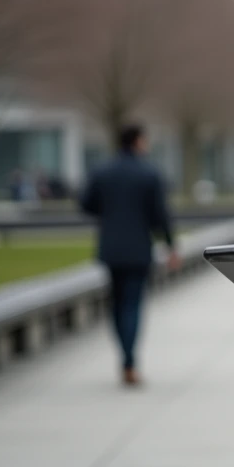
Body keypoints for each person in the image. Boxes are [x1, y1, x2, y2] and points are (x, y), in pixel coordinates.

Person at [80, 123, 178, 386]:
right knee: (132, 305)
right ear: (138, 141)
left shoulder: (102, 171)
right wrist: (170, 246)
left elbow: (86, 203)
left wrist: (110, 212)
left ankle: (124, 355)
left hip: (111, 248)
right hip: (138, 249)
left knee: (116, 303)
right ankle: (129, 360)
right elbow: (160, 215)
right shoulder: (148, 173)